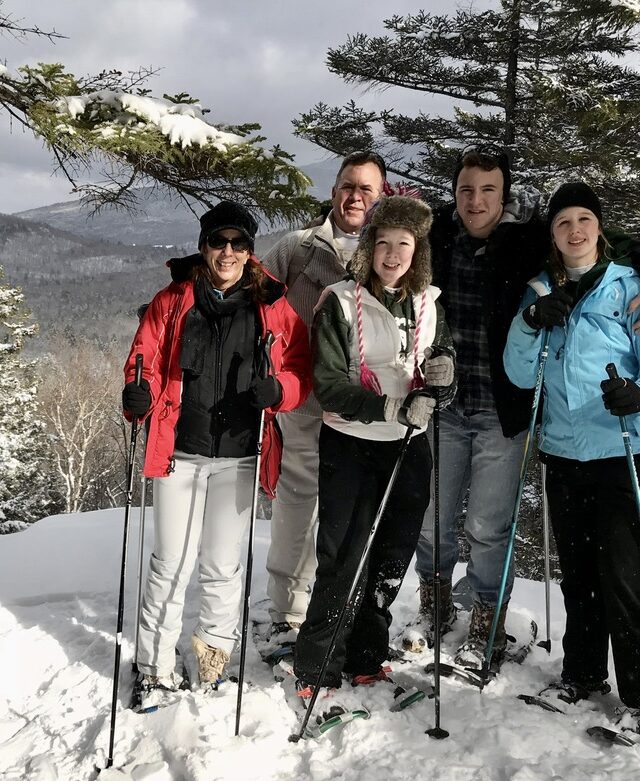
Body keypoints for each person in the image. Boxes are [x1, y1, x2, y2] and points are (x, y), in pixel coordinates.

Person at [121, 200, 311, 700]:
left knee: (223, 566)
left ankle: (211, 662)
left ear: (250, 251)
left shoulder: (271, 304)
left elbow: (299, 367)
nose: (227, 252)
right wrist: (136, 398)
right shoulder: (173, 300)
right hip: (179, 451)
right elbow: (142, 360)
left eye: (238, 243)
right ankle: (154, 666)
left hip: (241, 454)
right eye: (218, 242)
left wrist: (282, 391)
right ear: (203, 246)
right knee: (171, 561)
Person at [293, 195, 456, 693]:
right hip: (353, 443)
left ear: (417, 251)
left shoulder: (429, 302)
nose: (392, 255)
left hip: (409, 444)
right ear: (369, 248)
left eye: (403, 245)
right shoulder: (341, 302)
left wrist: (444, 376)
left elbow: (437, 360)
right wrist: (389, 407)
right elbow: (329, 384)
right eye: (382, 243)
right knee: (344, 554)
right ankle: (318, 661)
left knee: (391, 554)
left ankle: (366, 652)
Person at [404, 144, 549, 669]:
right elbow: (378, 244)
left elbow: (595, 242)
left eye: (488, 190)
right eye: (467, 189)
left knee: (488, 525)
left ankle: (486, 622)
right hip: (442, 404)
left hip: (501, 411)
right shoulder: (436, 236)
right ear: (455, 193)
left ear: (503, 194)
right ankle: (435, 607)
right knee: (432, 518)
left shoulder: (528, 241)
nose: (476, 200)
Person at [504, 182, 640, 727]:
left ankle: (635, 696)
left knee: (625, 577)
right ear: (553, 234)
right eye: (564, 222)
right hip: (563, 453)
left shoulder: (628, 287)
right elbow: (519, 373)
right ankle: (582, 676)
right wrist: (530, 321)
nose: (575, 230)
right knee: (578, 576)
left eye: (585, 219)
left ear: (599, 228)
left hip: (619, 449)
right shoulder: (540, 290)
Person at [260, 151, 387, 642]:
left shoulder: (392, 252)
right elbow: (252, 295)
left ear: (381, 196)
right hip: (308, 398)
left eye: (366, 189)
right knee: (298, 501)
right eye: (348, 186)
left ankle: (343, 603)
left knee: (355, 509)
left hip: (367, 407)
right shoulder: (299, 248)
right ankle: (289, 609)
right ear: (334, 191)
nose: (355, 196)